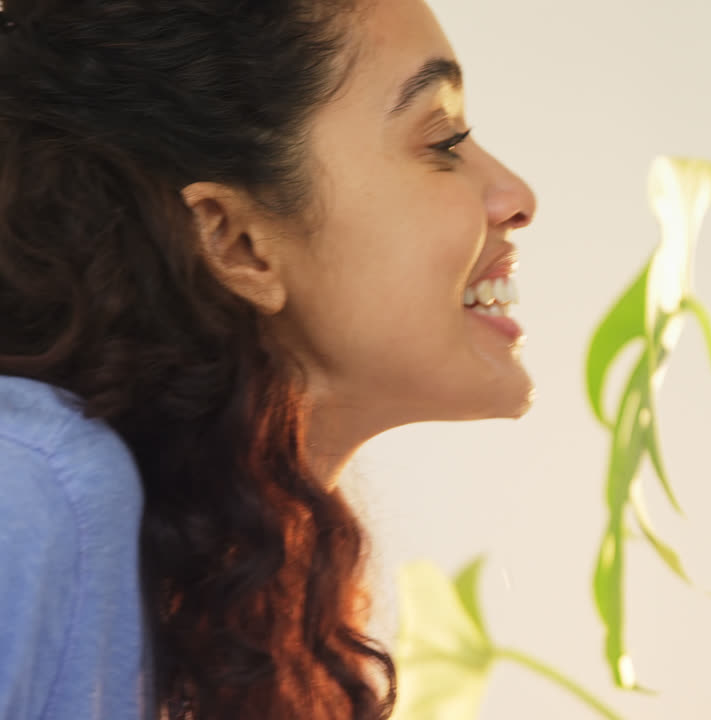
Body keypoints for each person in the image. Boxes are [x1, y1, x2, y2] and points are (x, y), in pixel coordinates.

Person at [0, 0, 537, 716]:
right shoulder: (31, 487)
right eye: (442, 139)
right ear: (236, 242)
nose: (516, 197)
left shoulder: (220, 585)